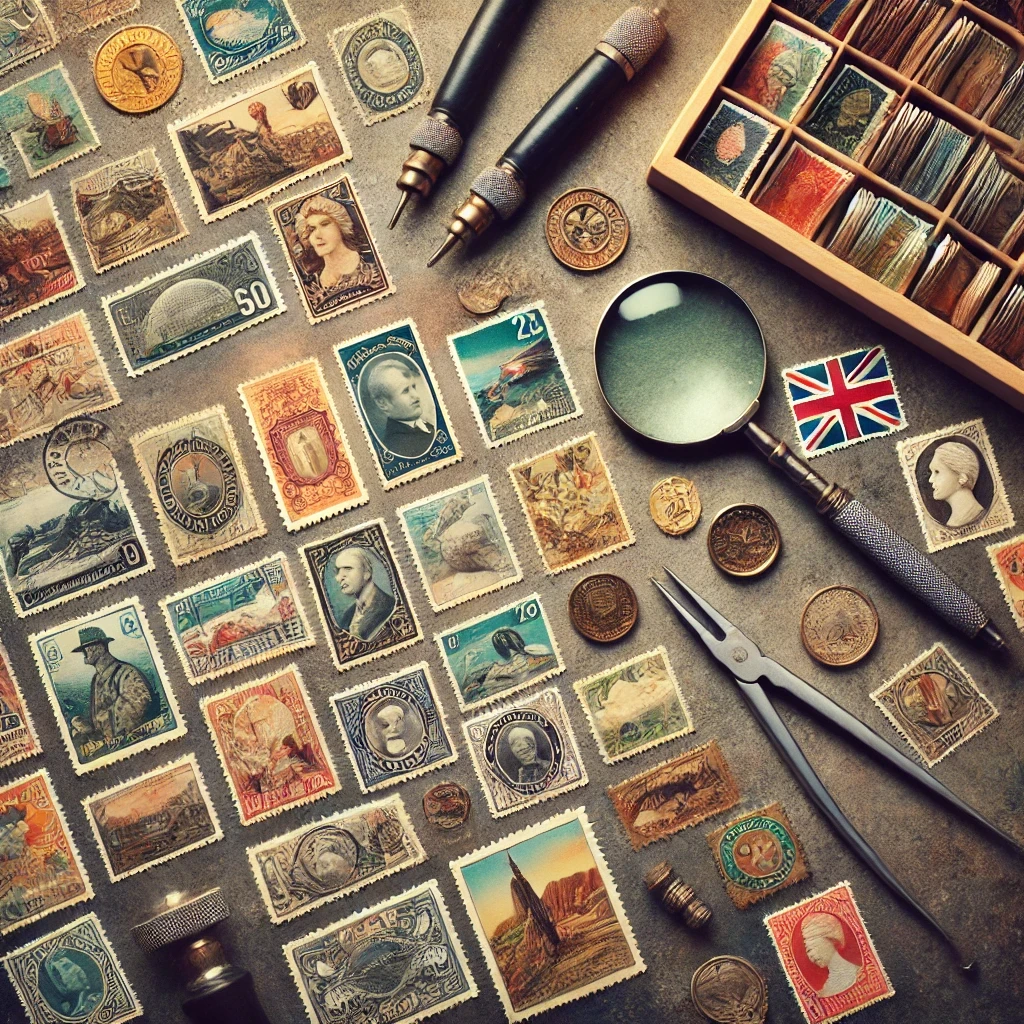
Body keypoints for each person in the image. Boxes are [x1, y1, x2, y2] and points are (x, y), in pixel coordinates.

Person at [69, 627, 155, 749]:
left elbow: (136, 711)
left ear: (100, 648)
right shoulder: (96, 680)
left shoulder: (127, 673)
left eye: (88, 647)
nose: (84, 652)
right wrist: (88, 728)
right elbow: (101, 720)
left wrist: (100, 730)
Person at [295, 195, 382, 297]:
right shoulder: (312, 284)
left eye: (325, 224)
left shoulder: (373, 265)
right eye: (311, 229)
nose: (317, 235)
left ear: (341, 226)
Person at [365, 357, 435, 458]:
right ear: (383, 403)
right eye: (405, 391)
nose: (416, 396)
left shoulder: (427, 427)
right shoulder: (396, 446)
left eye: (413, 387)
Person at [331, 547, 394, 640]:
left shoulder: (390, 606)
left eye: (348, 568)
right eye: (338, 571)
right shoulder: (347, 616)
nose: (339, 578)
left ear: (366, 573)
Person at [799, 912, 861, 996]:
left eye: (812, 948)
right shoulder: (824, 992)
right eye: (808, 951)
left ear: (831, 940)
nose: (811, 955)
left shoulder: (861, 974)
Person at [928, 441, 985, 528]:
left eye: (937, 472)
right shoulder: (954, 523)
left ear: (962, 478)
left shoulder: (963, 519)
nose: (930, 480)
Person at [42, 952, 101, 1017]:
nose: (77, 968)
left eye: (67, 966)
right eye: (67, 967)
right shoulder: (70, 1012)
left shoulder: (98, 996)